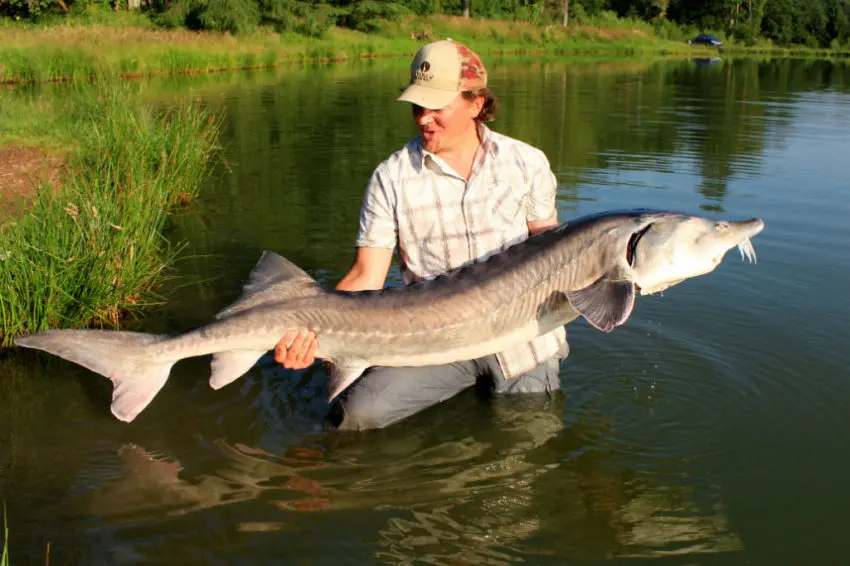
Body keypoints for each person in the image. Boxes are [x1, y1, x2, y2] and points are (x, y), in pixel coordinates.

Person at [275, 39, 568, 430]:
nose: (423, 119)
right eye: (417, 106)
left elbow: (552, 252)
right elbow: (366, 276)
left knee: (529, 428)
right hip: (429, 337)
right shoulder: (391, 177)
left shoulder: (527, 162)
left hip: (521, 335)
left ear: (475, 104)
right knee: (356, 416)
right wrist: (308, 328)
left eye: (437, 107)